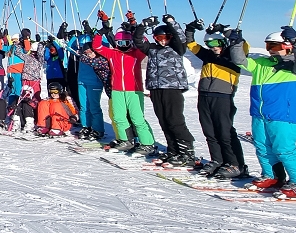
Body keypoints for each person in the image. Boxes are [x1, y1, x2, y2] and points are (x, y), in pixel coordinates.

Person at [229, 25, 296, 198]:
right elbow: (239, 60)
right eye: (268, 46)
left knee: (284, 149)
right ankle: (273, 176)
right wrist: (236, 44)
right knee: (262, 146)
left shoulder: (294, 66)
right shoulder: (262, 63)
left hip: (283, 115)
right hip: (260, 113)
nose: (271, 50)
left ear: (287, 46)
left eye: (274, 46)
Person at [185, 22, 248, 178]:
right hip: (204, 96)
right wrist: (190, 29)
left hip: (223, 97)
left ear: (223, 42)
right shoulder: (207, 55)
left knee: (225, 132)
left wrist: (225, 30)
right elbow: (191, 44)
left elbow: (242, 44)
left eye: (215, 43)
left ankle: (235, 164)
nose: (213, 47)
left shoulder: (233, 56)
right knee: (210, 131)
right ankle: (217, 160)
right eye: (209, 44)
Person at [134, 15, 195, 165]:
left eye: (166, 37)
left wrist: (171, 23)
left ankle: (187, 153)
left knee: (175, 120)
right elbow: (138, 40)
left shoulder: (176, 48)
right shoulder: (151, 49)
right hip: (156, 89)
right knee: (163, 120)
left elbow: (181, 38)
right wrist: (144, 25)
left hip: (172, 88)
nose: (162, 41)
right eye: (159, 37)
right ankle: (173, 150)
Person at [92, 15, 155, 153]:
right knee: (118, 117)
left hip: (134, 90)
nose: (123, 45)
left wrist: (134, 28)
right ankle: (125, 140)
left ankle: (148, 143)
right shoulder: (112, 53)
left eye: (126, 42)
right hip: (117, 90)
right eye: (120, 43)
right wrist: (100, 32)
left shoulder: (137, 53)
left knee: (137, 118)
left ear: (131, 42)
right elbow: (96, 46)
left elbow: (144, 42)